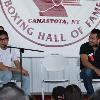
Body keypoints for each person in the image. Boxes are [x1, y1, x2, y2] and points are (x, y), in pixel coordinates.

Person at [0, 30, 30, 95]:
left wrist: (22, 70)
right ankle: (3, 95)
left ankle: (25, 97)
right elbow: (2, 67)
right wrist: (18, 70)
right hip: (2, 73)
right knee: (8, 74)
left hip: (9, 72)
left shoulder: (10, 47)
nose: (3, 41)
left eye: (5, 39)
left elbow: (16, 62)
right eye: (1, 39)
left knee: (26, 77)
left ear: (8, 39)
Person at [80, 29, 100, 96]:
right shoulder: (84, 46)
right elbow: (84, 62)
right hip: (87, 72)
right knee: (87, 71)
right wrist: (95, 69)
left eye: (92, 38)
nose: (90, 40)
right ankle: (92, 96)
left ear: (99, 40)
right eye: (89, 38)